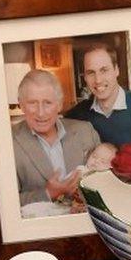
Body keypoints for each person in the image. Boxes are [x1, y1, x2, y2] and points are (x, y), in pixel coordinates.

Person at [13, 70, 100, 207]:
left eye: (47, 103)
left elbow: (106, 184)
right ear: (21, 104)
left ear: (59, 104)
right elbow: (4, 204)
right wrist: (47, 193)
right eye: (32, 103)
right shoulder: (8, 142)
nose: (41, 113)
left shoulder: (85, 131)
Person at [65, 43, 131, 147]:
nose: (98, 80)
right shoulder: (76, 115)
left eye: (104, 70)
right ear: (85, 77)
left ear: (116, 70)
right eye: (91, 72)